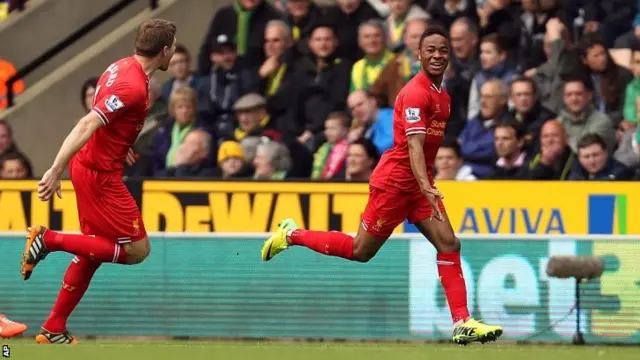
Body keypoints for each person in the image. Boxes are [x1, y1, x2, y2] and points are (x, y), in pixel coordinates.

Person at [260, 26, 503, 345]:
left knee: (449, 244)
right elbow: (415, 146)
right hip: (396, 184)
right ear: (418, 55)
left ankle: (462, 322)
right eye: (430, 50)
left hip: (418, 185)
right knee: (361, 251)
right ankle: (291, 235)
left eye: (443, 50)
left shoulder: (443, 97)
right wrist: (426, 184)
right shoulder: (416, 93)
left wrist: (425, 185)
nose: (437, 55)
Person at [19, 18, 177, 345]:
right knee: (136, 250)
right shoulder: (132, 86)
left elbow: (106, 117)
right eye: (173, 47)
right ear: (164, 51)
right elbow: (88, 122)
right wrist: (55, 168)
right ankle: (49, 240)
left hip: (95, 164)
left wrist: (121, 142)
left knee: (93, 252)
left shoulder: (121, 66)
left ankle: (53, 327)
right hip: (99, 176)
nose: (174, 52)